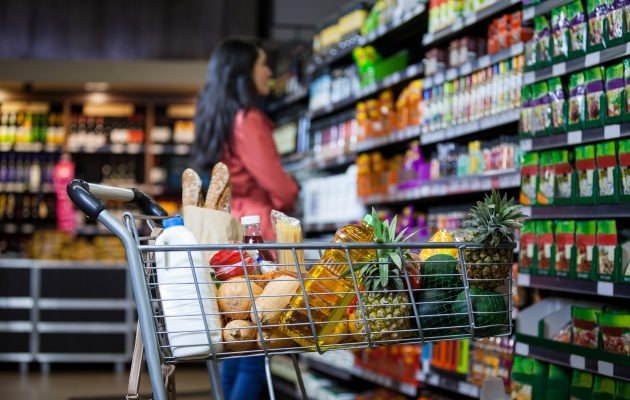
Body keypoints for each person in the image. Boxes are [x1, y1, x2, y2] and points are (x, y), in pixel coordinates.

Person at [192, 37, 299, 400]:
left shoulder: (219, 119)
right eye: (264, 64)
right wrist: (293, 187)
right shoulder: (248, 120)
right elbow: (281, 190)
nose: (270, 71)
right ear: (243, 73)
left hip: (231, 237)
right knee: (257, 344)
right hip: (257, 240)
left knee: (236, 335)